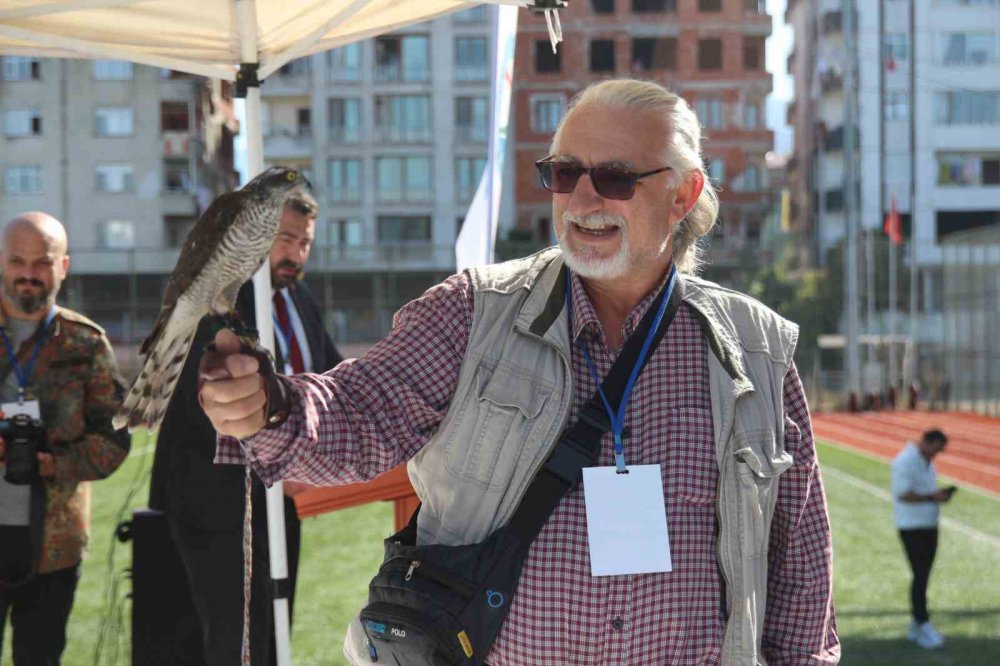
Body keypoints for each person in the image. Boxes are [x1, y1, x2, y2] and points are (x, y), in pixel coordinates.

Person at [200, 79, 839, 665]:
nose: (582, 198)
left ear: (683, 195)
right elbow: (358, 412)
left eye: (615, 177)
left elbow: (801, 574)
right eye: (564, 173)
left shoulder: (755, 349)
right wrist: (271, 406)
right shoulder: (471, 314)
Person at [149, 190, 343, 665]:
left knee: (275, 629)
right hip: (215, 501)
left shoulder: (300, 301)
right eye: (285, 239)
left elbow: (336, 379)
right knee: (236, 637)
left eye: (305, 243)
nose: (295, 253)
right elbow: (207, 401)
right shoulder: (214, 301)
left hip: (287, 496)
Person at [0, 212, 128, 665]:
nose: (29, 274)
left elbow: (116, 440)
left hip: (53, 546)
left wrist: (56, 463)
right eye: (18, 260)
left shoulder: (85, 344)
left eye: (43, 262)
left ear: (64, 266)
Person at [891, 428, 953, 650]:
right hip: (912, 528)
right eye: (936, 449)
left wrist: (937, 496)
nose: (937, 454)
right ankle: (922, 622)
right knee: (920, 576)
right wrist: (931, 497)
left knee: (924, 576)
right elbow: (902, 493)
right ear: (927, 441)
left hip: (928, 526)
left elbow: (924, 490)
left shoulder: (926, 461)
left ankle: (916, 625)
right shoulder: (905, 461)